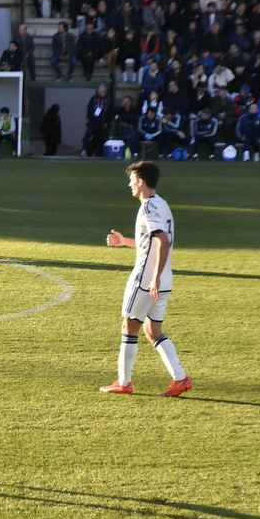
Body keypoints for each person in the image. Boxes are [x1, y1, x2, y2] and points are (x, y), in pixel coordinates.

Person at [99, 161, 190, 397]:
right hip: (164, 279)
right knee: (153, 330)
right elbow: (151, 241)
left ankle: (124, 382)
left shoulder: (149, 207)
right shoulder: (162, 204)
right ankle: (180, 378)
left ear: (141, 180)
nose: (129, 184)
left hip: (146, 280)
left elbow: (163, 241)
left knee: (129, 327)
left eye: (132, 180)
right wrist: (125, 242)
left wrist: (155, 278)